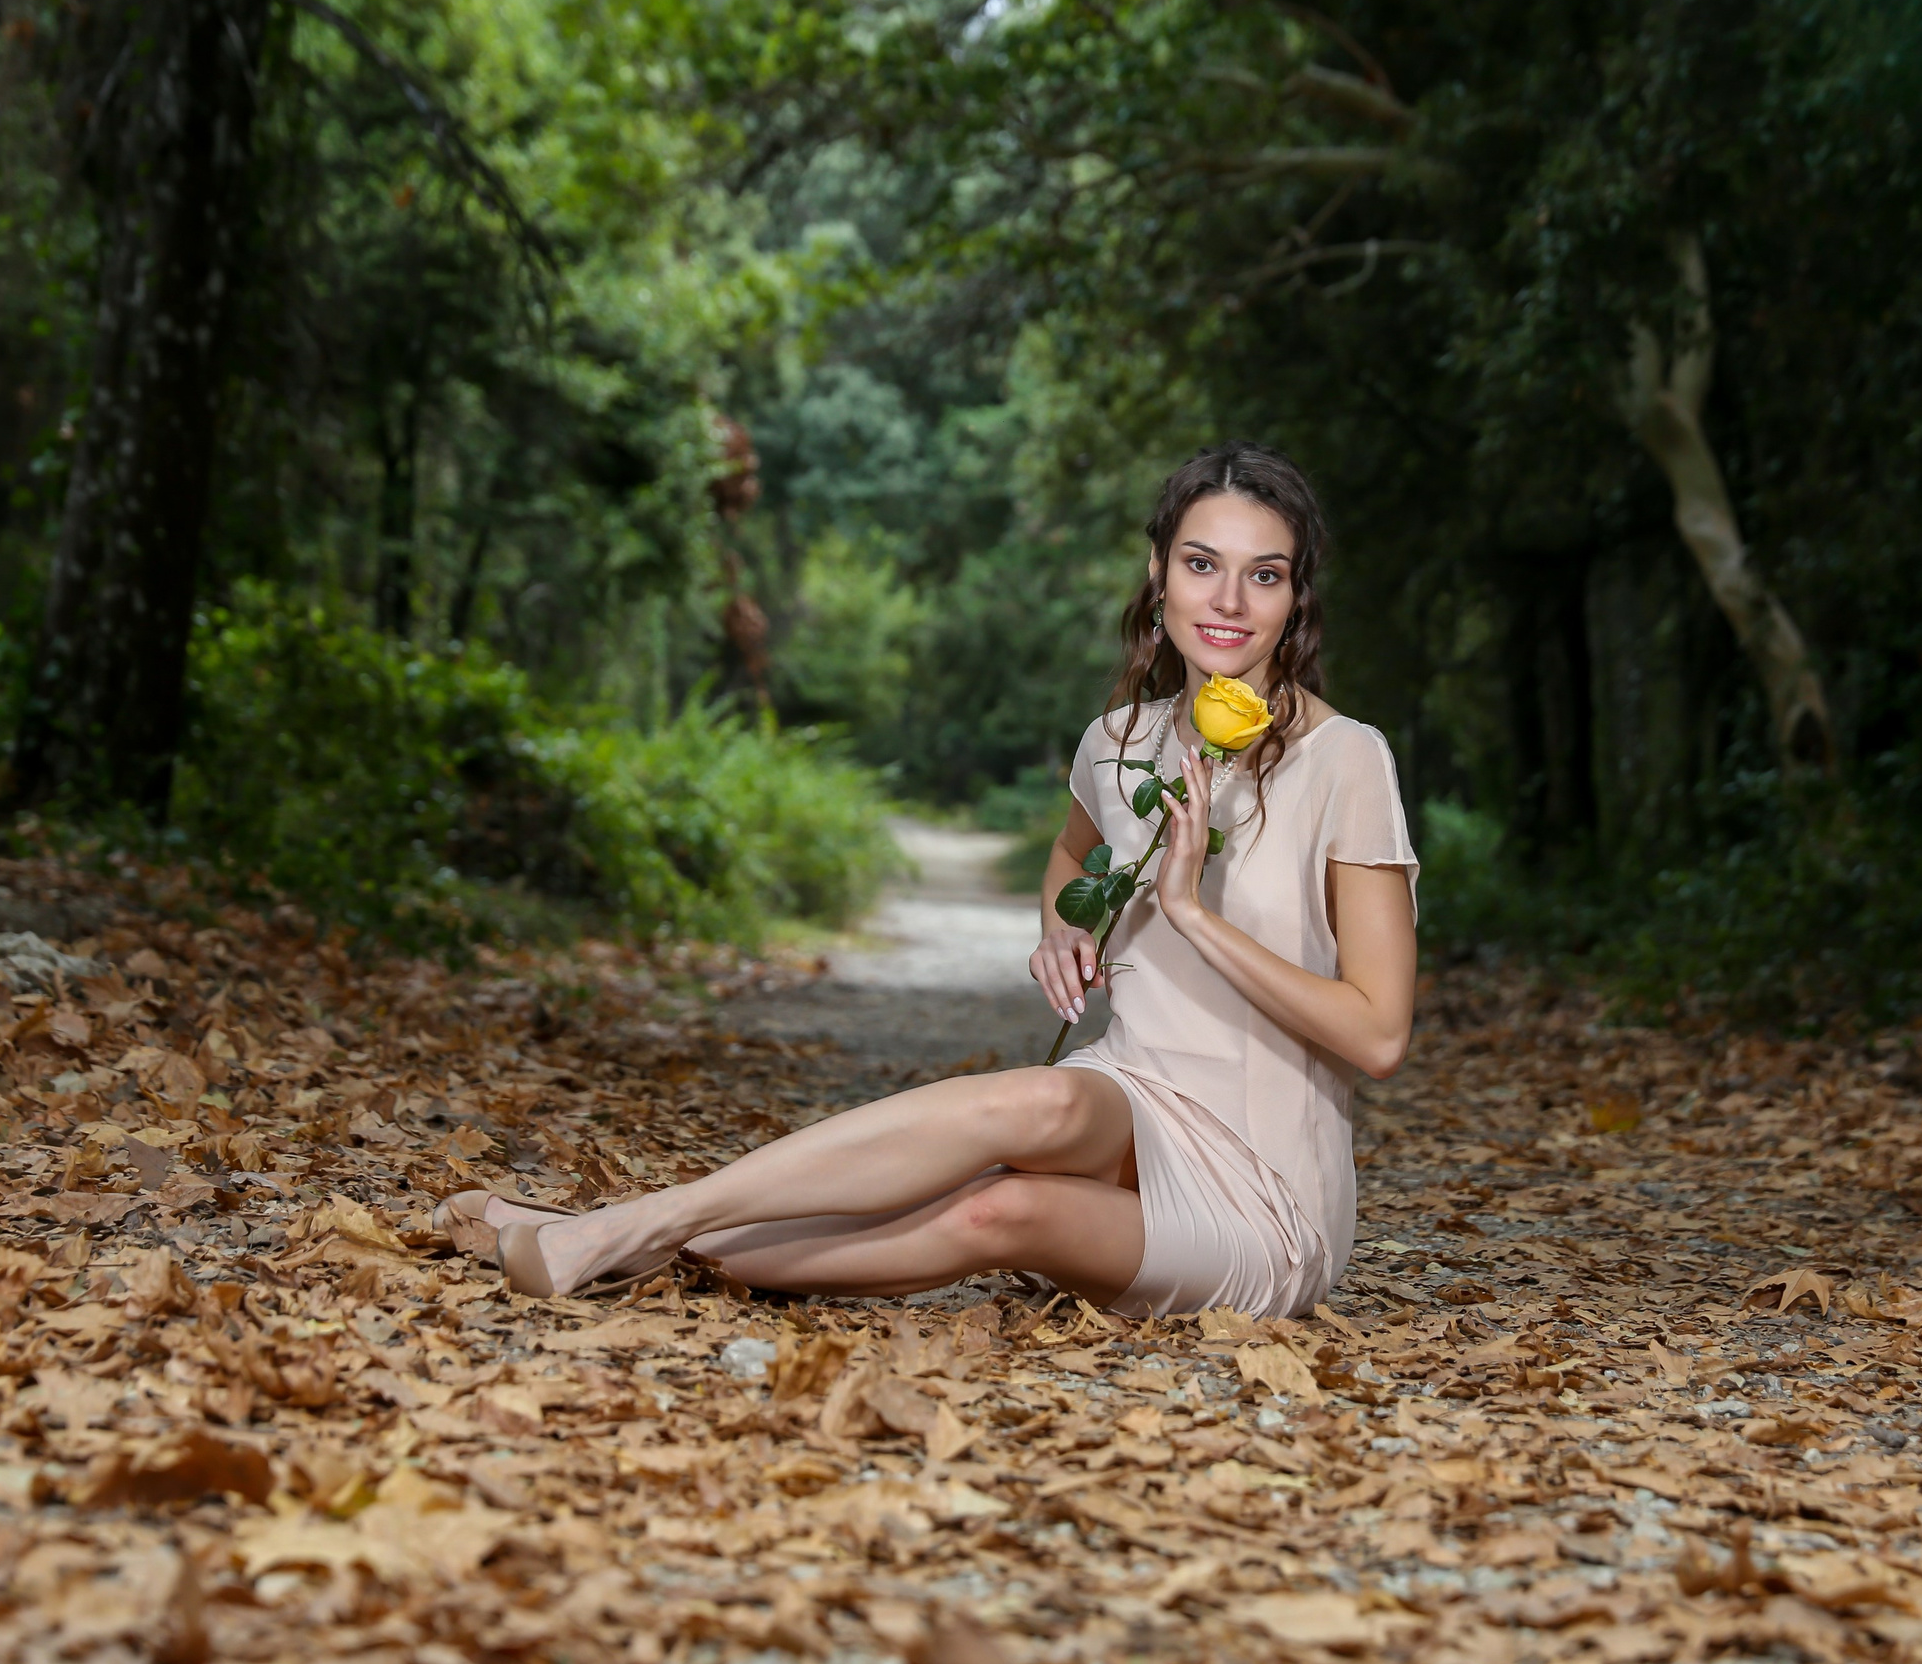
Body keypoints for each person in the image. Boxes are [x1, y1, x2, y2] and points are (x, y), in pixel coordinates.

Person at [446, 441, 1419, 1318]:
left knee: (999, 1211)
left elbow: (1377, 1035)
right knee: (1026, 1105)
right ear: (1158, 571)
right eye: (1202, 564)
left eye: (1265, 576)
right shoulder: (1120, 744)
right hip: (1128, 1101)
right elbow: (1068, 857)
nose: (1228, 602)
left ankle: (608, 1227)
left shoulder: (1345, 761)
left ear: (1296, 599)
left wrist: (1187, 916)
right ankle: (625, 1231)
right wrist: (1059, 929)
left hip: (1264, 1190)